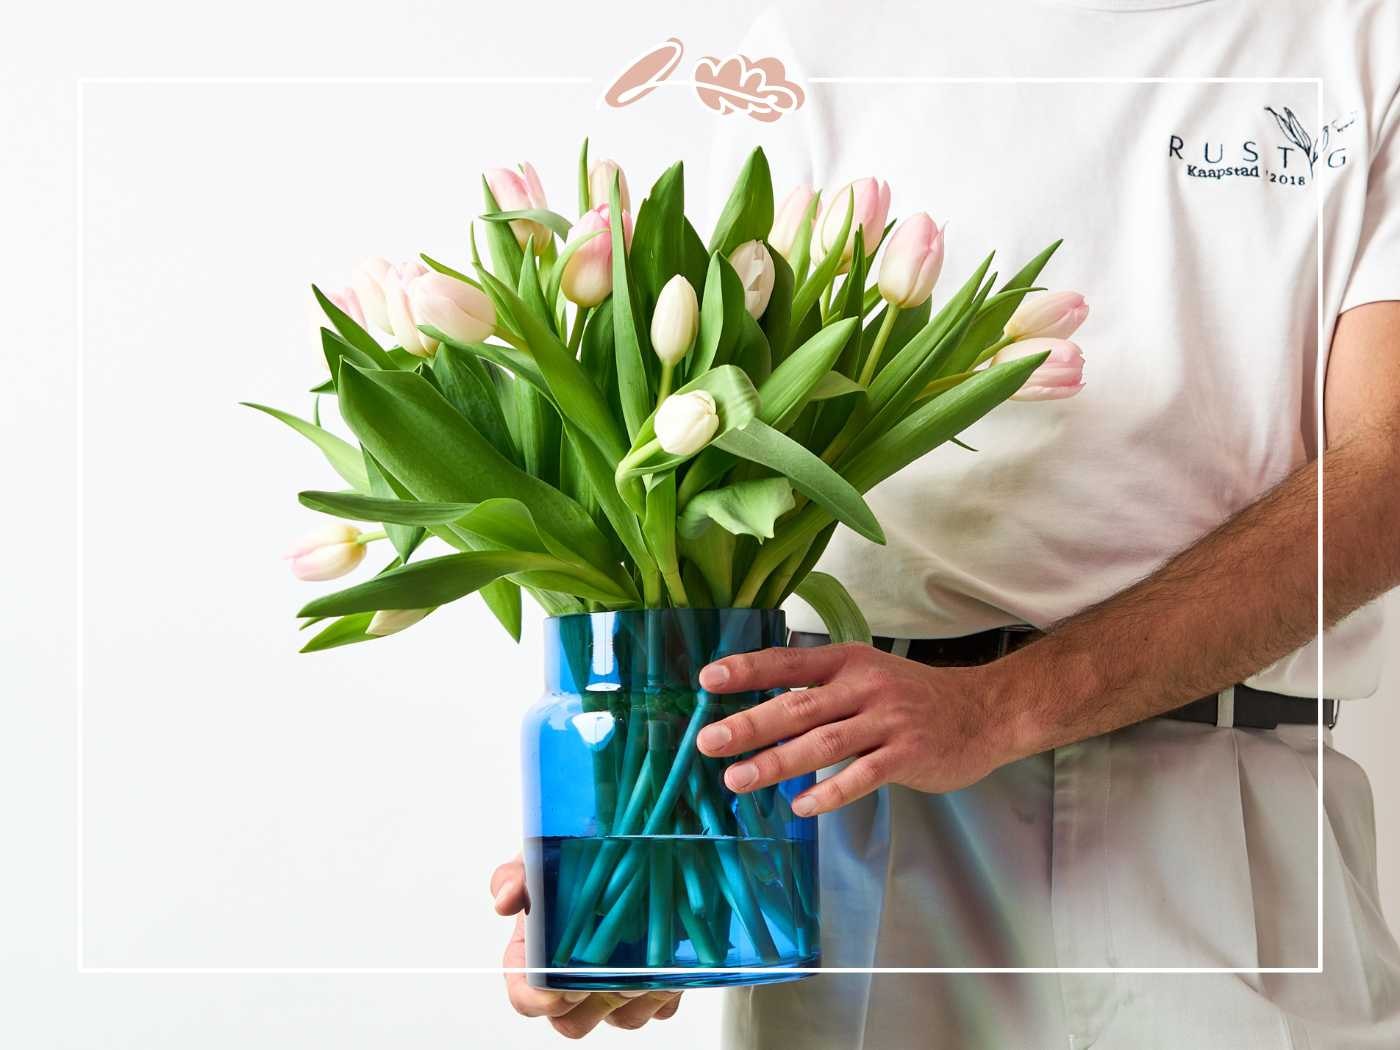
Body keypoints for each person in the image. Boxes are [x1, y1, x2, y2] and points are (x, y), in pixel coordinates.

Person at [492, 0, 1400, 1044]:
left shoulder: (1357, 37)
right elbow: (717, 453)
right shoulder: (811, 41)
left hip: (1214, 820)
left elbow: (1386, 473)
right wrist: (641, 852)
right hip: (861, 805)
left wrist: (997, 708)